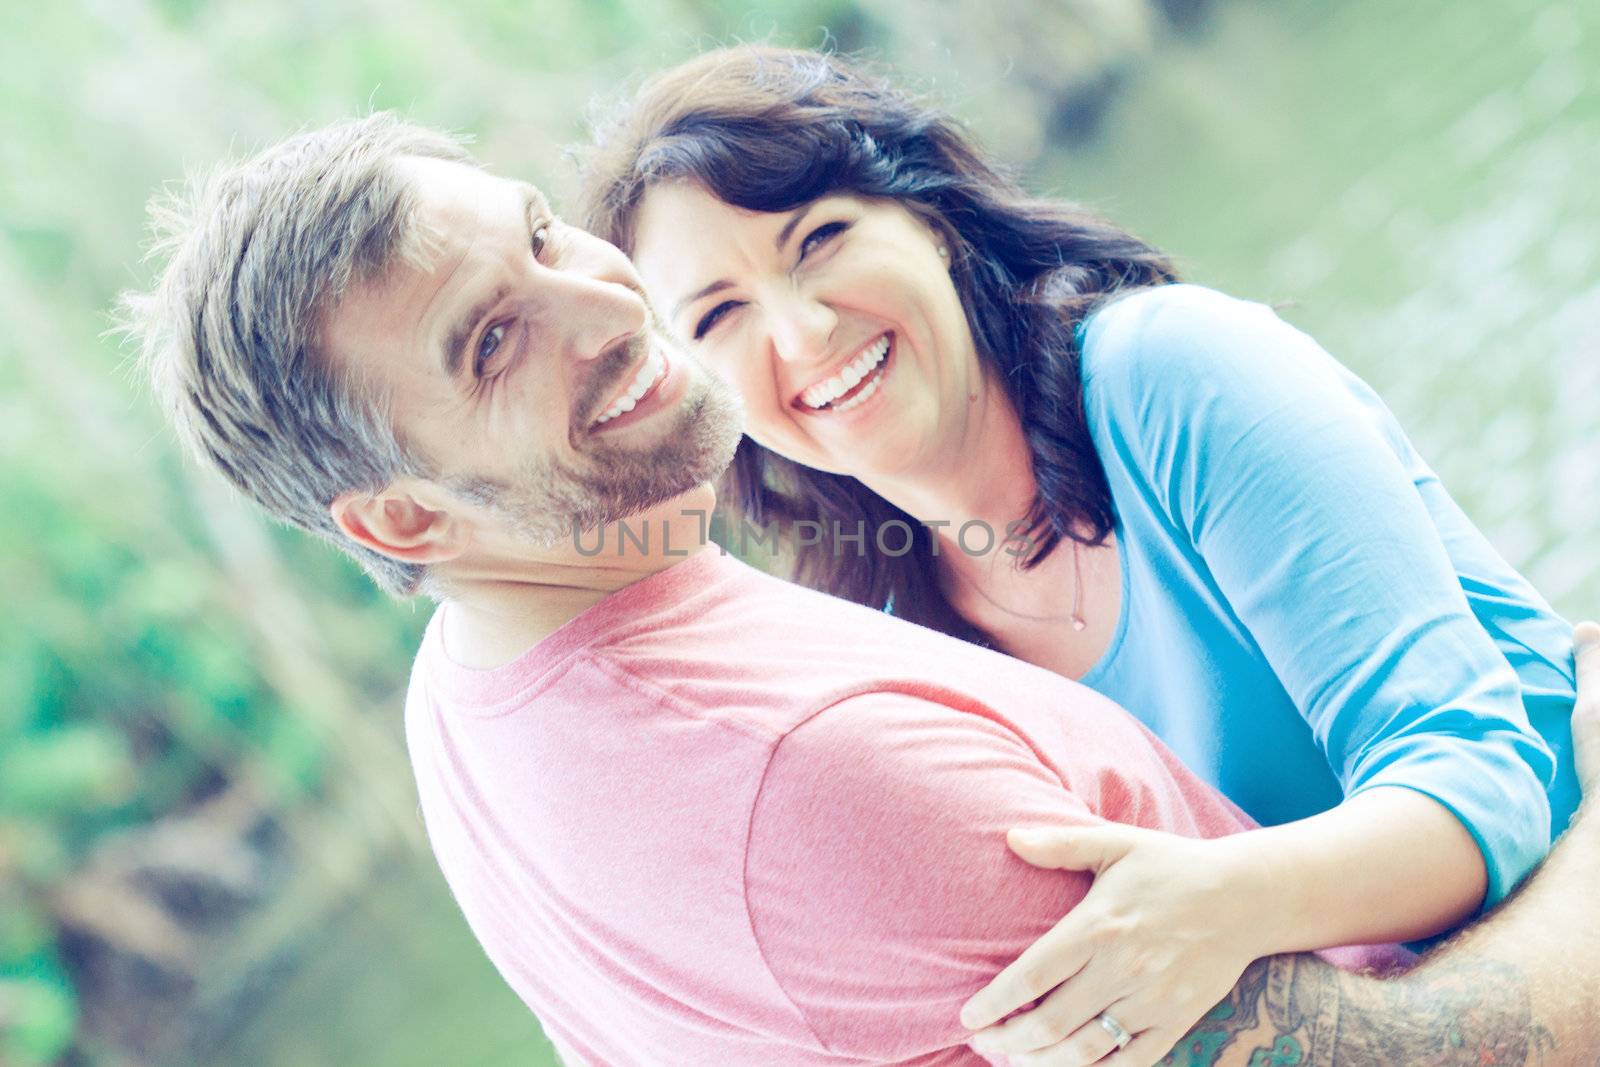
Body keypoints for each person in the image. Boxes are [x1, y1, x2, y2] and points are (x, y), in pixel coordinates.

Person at [120, 115, 1599, 1067]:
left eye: (544, 235)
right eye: (491, 341)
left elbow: (1451, 751)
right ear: (400, 514)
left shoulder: (473, 701)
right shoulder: (822, 741)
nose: (604, 308)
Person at [578, 46, 1582, 1061]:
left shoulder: (1171, 372)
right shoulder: (891, 663)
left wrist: (1226, 904)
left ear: (927, 218)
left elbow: (1481, 775)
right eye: (718, 315)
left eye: (821, 240)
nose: (801, 331)